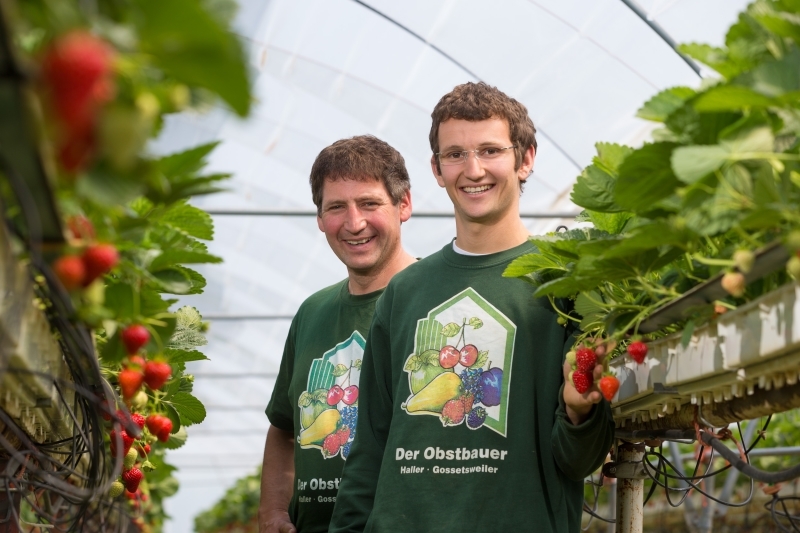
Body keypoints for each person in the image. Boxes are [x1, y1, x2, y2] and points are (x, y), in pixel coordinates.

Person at [329, 82, 615, 532]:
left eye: (490, 150)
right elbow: (370, 448)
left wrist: (580, 410)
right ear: (437, 169)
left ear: (525, 159)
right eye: (455, 154)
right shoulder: (404, 293)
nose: (473, 169)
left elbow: (577, 461)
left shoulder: (565, 282)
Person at [259, 135, 416, 533]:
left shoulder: (436, 301)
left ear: (404, 205)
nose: (354, 223)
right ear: (319, 219)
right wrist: (274, 512)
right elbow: (283, 428)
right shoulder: (312, 313)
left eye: (369, 203)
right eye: (336, 207)